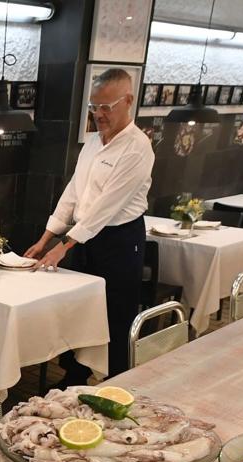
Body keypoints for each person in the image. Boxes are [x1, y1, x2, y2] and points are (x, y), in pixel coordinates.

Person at [24, 67, 154, 380]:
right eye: (94, 107)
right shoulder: (94, 142)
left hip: (120, 241)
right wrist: (45, 239)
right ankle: (75, 375)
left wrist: (63, 246)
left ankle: (116, 380)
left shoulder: (138, 148)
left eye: (106, 107)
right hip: (85, 239)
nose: (99, 114)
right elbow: (74, 191)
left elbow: (105, 207)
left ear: (128, 101)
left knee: (114, 311)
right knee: (80, 309)